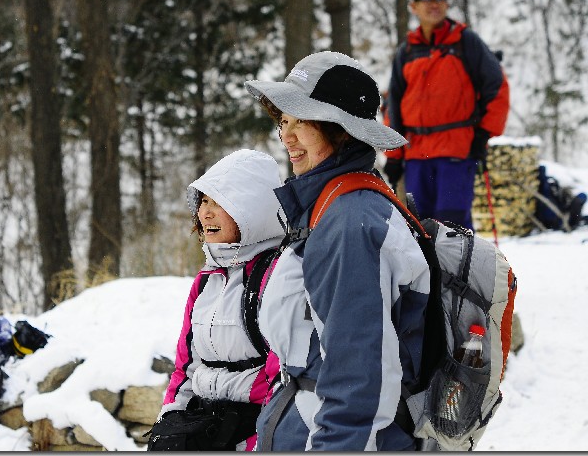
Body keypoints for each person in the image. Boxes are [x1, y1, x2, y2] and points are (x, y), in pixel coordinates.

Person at [244, 51, 431, 450]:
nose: (286, 137)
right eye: (283, 120)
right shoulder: (330, 204)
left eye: (302, 121)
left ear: (340, 130)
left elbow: (360, 382)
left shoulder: (349, 222)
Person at [150, 149, 284, 451]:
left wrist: (251, 443)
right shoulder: (206, 281)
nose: (205, 213)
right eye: (204, 201)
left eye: (219, 202)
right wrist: (168, 424)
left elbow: (283, 381)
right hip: (207, 426)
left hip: (254, 429)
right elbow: (186, 368)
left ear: (251, 209)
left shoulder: (277, 275)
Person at [384, 0, 510, 230]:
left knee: (452, 225)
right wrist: (394, 154)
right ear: (414, 7)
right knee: (419, 224)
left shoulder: (466, 42)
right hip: (417, 153)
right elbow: (394, 105)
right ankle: (427, 272)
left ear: (447, 4)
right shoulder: (407, 51)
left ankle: (461, 271)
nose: (434, 4)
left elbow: (497, 87)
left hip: (456, 150)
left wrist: (483, 133)